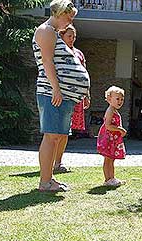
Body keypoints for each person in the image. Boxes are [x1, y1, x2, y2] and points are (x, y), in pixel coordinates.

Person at [33, 0, 90, 192]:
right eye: (69, 16)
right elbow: (47, 62)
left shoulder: (53, 33)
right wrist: (56, 88)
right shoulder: (46, 31)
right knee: (51, 137)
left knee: (56, 137)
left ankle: (49, 179)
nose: (71, 20)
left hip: (62, 95)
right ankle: (45, 182)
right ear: (59, 13)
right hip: (52, 93)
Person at [53, 24, 91, 173]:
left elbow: (84, 74)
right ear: (62, 36)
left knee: (65, 131)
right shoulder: (57, 52)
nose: (72, 39)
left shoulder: (79, 54)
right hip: (60, 95)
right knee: (56, 130)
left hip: (75, 96)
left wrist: (86, 95)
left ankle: (59, 162)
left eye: (74, 36)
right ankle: (51, 162)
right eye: (69, 36)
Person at [97, 86, 127, 186]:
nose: (120, 101)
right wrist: (119, 129)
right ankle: (107, 179)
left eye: (122, 99)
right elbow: (108, 125)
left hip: (113, 139)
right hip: (108, 138)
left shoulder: (115, 111)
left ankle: (112, 178)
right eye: (117, 99)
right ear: (109, 99)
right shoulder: (110, 110)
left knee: (111, 158)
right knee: (108, 159)